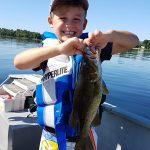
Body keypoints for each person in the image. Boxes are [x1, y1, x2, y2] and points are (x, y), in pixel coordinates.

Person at [14, 0, 139, 150]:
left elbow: (133, 41)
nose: (69, 24)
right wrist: (59, 50)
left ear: (84, 24)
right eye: (62, 18)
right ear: (50, 21)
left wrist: (108, 35)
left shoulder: (93, 48)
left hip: (87, 133)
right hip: (51, 137)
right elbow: (19, 62)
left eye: (76, 19)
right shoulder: (47, 52)